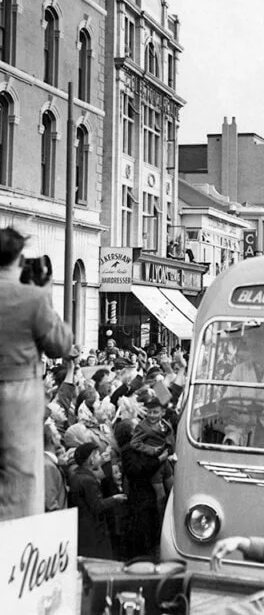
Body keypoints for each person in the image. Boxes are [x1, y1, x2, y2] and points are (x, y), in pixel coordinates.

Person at [0, 227, 74, 521]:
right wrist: (46, 295)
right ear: (19, 258)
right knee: (21, 470)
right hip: (19, 391)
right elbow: (60, 345)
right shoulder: (31, 297)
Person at [68, 441, 126, 559]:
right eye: (98, 455)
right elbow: (97, 506)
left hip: (82, 529)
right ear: (91, 460)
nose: (101, 457)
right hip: (93, 531)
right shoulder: (88, 480)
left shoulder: (77, 475)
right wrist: (114, 499)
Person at [130, 396, 175, 513]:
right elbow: (134, 443)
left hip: (165, 463)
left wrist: (170, 451)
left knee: (173, 490)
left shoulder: (165, 424)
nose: (152, 415)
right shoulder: (142, 426)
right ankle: (161, 520)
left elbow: (169, 438)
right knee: (161, 496)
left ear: (163, 412)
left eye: (155, 412)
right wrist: (151, 450)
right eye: (149, 412)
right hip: (154, 465)